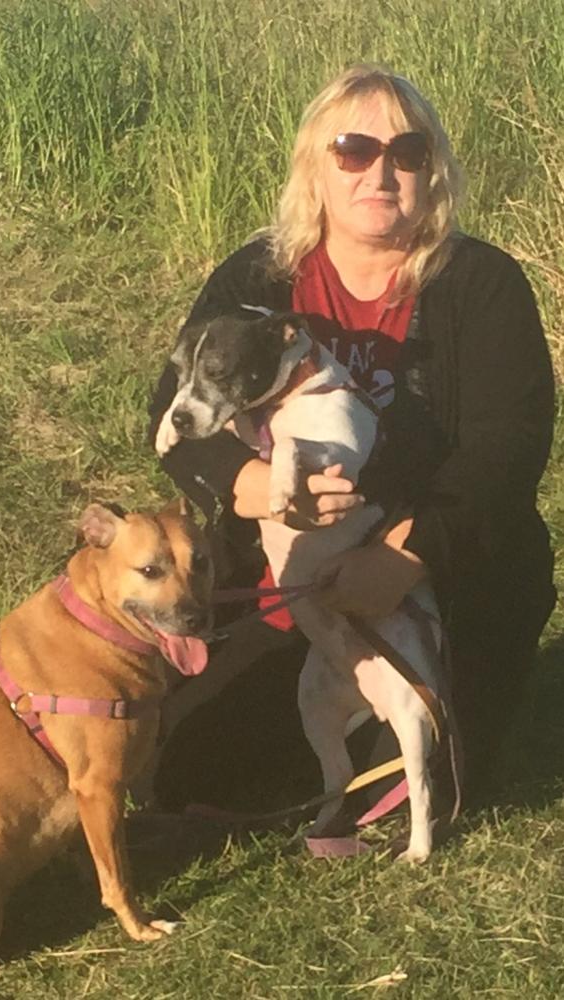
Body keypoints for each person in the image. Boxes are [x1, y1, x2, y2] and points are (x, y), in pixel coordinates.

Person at [147, 63, 556, 813]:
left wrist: (402, 556)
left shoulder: (483, 285)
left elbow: (507, 450)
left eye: (408, 152)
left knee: (402, 783)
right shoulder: (258, 281)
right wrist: (249, 488)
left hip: (445, 572)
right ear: (316, 168)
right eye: (354, 150)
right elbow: (172, 413)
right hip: (293, 574)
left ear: (433, 172)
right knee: (187, 774)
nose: (382, 171)